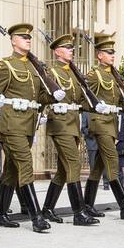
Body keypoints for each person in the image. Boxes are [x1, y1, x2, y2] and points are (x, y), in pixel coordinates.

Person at [0, 23, 60, 233]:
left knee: (11, 171)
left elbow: (38, 97)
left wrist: (53, 96)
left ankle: (0, 213)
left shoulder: (34, 67)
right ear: (13, 40)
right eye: (22, 37)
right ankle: (36, 216)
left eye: (29, 37)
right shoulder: (5, 65)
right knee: (25, 166)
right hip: (11, 125)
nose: (28, 40)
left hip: (28, 125)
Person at [40, 33, 98, 226]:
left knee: (64, 171)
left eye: (72, 48)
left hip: (73, 122)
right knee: (74, 164)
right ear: (57, 51)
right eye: (67, 48)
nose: (72, 51)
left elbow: (80, 99)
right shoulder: (50, 72)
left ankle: (47, 209)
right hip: (59, 122)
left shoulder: (73, 73)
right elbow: (42, 96)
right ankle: (78, 212)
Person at [82, 34, 124, 220]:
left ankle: (87, 205)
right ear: (99, 55)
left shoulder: (113, 75)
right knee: (112, 162)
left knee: (98, 167)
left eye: (113, 52)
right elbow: (84, 97)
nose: (112, 55)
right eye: (108, 52)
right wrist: (95, 107)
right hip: (100, 122)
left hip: (112, 122)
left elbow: (119, 99)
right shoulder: (94, 74)